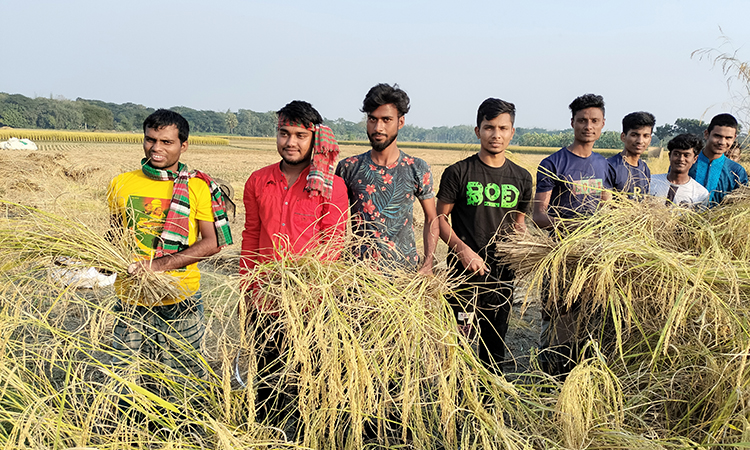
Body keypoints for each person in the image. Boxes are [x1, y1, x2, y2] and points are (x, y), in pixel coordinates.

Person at [240, 100, 348, 422]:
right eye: (284, 133)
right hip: (265, 300)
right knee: (267, 373)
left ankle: (305, 432)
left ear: (314, 138)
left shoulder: (331, 186)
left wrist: (302, 286)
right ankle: (266, 431)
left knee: (307, 375)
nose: (290, 142)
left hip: (310, 302)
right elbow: (251, 236)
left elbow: (333, 242)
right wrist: (250, 286)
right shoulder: (258, 181)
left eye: (300, 135)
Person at [107, 109, 233, 386]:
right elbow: (116, 234)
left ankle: (186, 425)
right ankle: (132, 425)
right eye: (150, 139)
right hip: (131, 296)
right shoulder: (121, 184)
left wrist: (157, 266)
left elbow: (212, 244)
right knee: (128, 370)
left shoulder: (198, 187)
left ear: (183, 146)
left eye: (166, 142)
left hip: (180, 294)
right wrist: (101, 258)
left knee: (185, 370)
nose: (156, 148)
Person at [436, 98, 532, 373]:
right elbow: (439, 219)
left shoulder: (522, 178)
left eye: (503, 128)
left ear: (512, 132)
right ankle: (458, 400)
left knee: (494, 345)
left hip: (501, 279)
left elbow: (518, 225)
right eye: (489, 127)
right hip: (462, 279)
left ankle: (489, 403)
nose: (496, 134)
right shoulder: (459, 172)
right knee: (461, 342)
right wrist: (462, 249)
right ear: (478, 131)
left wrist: (525, 249)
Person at [532, 93, 615, 378]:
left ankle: (574, 374)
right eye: (582, 120)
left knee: (585, 316)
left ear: (603, 124)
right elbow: (539, 215)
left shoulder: (604, 165)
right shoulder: (553, 163)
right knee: (555, 314)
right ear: (572, 123)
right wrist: (572, 230)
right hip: (559, 255)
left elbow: (605, 207)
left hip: (592, 256)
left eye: (594, 121)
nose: (588, 126)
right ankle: (547, 374)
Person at [335, 83, 437, 274]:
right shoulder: (348, 168)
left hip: (404, 275)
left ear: (401, 122)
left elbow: (432, 218)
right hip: (359, 276)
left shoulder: (417, 168)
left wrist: (428, 263)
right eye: (372, 119)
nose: (378, 127)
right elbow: (333, 220)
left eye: (386, 119)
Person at [688, 113, 748, 205]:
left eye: (728, 138)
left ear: (734, 138)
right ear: (706, 134)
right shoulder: (686, 162)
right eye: (717, 136)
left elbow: (741, 204)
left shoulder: (737, 171)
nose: (722, 142)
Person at [649, 133, 709, 208]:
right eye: (676, 154)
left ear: (695, 159)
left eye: (686, 155)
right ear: (669, 156)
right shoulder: (650, 181)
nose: (681, 159)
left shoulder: (700, 193)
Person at [607, 111, 655, 198]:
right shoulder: (610, 166)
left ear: (650, 139)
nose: (640, 141)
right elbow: (605, 204)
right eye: (634, 135)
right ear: (623, 137)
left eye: (645, 136)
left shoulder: (644, 169)